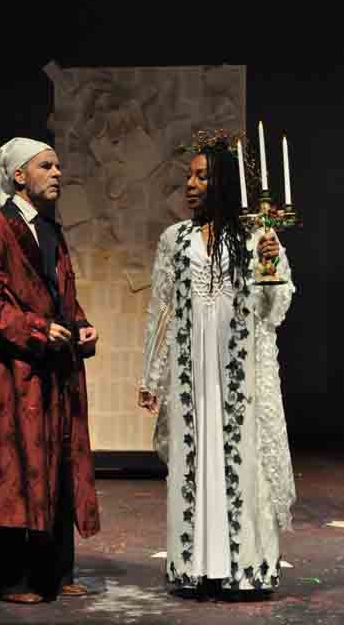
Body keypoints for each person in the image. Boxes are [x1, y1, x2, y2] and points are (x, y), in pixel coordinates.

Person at [138, 135, 296, 601]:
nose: (190, 184)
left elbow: (274, 308)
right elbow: (162, 311)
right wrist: (151, 376)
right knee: (195, 456)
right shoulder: (175, 240)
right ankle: (196, 566)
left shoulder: (254, 238)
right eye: (189, 176)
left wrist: (270, 266)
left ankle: (244, 568)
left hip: (238, 370)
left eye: (202, 177)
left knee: (242, 459)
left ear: (223, 182)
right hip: (193, 371)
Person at [0, 137, 100, 604]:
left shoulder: (50, 230)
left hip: (55, 370)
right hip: (16, 371)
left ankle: (55, 572)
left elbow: (62, 297)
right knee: (16, 468)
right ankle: (9, 579)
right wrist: (38, 329)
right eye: (47, 166)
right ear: (19, 175)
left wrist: (79, 326)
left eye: (58, 165)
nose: (57, 173)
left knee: (57, 463)